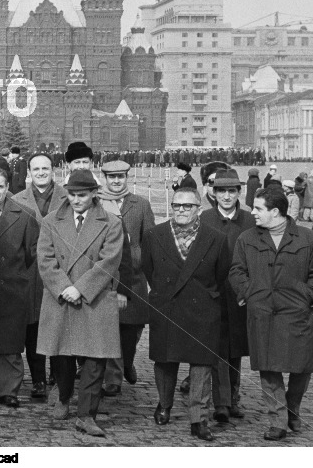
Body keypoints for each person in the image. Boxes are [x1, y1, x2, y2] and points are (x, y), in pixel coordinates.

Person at [231, 187, 313, 441]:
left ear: (275, 212)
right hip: (262, 311)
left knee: (302, 366)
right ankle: (278, 419)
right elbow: (237, 272)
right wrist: (248, 294)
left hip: (296, 313)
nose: (252, 212)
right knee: (268, 366)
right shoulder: (247, 238)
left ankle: (292, 409)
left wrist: (308, 298)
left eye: (258, 208)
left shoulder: (308, 239)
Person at [37, 169, 123, 438]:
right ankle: (63, 396)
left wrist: (81, 288)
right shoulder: (52, 221)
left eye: (82, 195)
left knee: (95, 359)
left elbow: (109, 261)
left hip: (94, 298)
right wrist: (64, 288)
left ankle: (87, 415)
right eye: (71, 194)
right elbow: (45, 259)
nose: (75, 200)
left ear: (94, 193)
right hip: (60, 297)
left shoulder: (111, 223)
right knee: (62, 353)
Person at [141, 186, 229, 442]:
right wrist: (162, 294)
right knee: (165, 361)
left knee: (202, 364)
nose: (181, 210)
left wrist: (203, 296)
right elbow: (149, 269)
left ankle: (198, 419)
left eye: (187, 206)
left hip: (203, 310)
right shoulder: (154, 235)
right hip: (166, 306)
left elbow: (221, 274)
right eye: (177, 206)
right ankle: (164, 404)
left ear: (198, 209)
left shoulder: (216, 238)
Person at [199, 168, 254, 422]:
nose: (227, 196)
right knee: (219, 347)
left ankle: (234, 399)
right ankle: (221, 402)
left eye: (232, 191)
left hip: (241, 295)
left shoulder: (250, 220)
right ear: (214, 193)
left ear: (239, 192)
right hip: (215, 292)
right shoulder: (205, 218)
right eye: (222, 191)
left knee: (236, 348)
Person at [0, 167, 38, 409]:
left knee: (11, 342)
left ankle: (10, 389)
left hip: (12, 286)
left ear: (7, 188)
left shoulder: (24, 214)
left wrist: (15, 276)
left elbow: (31, 254)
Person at [98, 160, 155, 397]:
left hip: (135, 276)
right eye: (111, 177)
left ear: (127, 177)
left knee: (132, 328)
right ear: (104, 178)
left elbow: (150, 240)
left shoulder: (140, 204)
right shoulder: (98, 204)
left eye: (120, 176)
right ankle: (113, 377)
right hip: (108, 276)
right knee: (112, 327)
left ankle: (128, 361)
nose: (116, 181)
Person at [11, 151, 65, 399]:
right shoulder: (17, 200)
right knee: (33, 327)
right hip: (30, 272)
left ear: (52, 171)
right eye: (36, 169)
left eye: (46, 169)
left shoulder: (66, 198)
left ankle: (57, 375)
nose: (41, 173)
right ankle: (38, 379)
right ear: (29, 173)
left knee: (57, 325)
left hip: (59, 271)